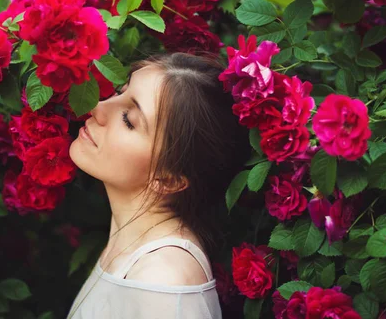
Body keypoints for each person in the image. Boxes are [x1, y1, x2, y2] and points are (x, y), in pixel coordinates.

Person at [67, 53, 250, 319]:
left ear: (169, 179)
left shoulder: (164, 281)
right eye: (120, 91)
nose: (98, 106)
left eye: (129, 120)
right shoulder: (137, 256)